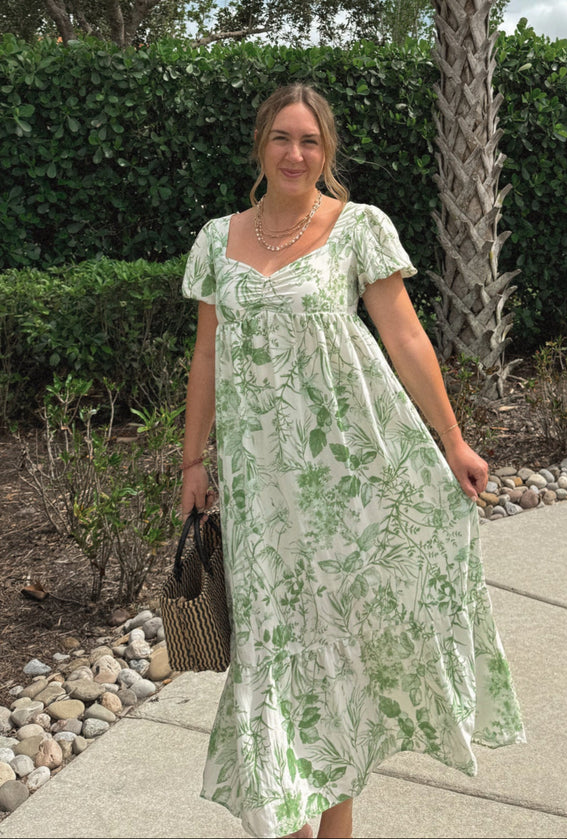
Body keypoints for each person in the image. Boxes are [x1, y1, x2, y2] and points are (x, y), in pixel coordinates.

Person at [180, 83, 525, 839]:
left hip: (350, 473)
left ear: (325, 150)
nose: (294, 153)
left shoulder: (358, 227)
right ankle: (291, 817)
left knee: (338, 643)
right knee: (276, 645)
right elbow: (207, 354)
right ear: (260, 145)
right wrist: (192, 461)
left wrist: (453, 440)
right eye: (281, 137)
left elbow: (405, 336)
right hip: (261, 487)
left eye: (309, 140)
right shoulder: (216, 240)